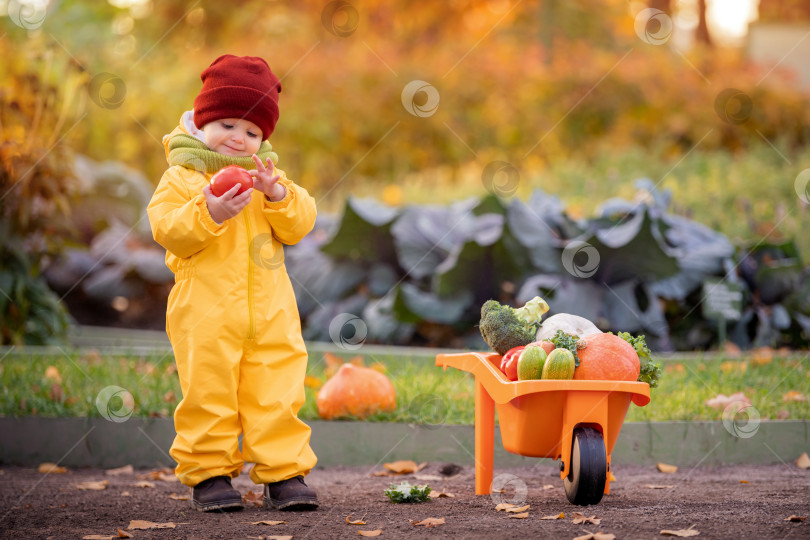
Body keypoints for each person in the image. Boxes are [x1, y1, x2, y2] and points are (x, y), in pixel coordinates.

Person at [147, 54, 318, 512]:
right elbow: (167, 230)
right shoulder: (182, 177)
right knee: (207, 390)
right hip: (203, 311)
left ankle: (283, 472)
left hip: (270, 311)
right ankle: (210, 474)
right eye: (226, 124)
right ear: (201, 123)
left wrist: (279, 195)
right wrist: (209, 212)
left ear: (263, 139)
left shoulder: (268, 178)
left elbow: (300, 224)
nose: (239, 139)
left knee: (277, 390)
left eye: (252, 132)